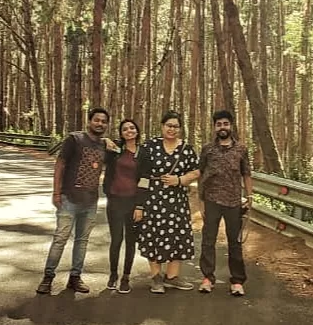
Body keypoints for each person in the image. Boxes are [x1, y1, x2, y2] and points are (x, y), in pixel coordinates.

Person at [36, 108, 110, 295]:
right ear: (89, 121)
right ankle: (48, 277)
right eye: (97, 120)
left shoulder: (104, 146)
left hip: (90, 201)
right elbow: (60, 164)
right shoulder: (74, 139)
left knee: (82, 241)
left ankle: (75, 278)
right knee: (60, 239)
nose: (100, 124)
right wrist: (56, 193)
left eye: (103, 121)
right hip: (69, 198)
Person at [134, 111, 201, 294]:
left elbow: (196, 172)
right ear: (162, 126)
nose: (172, 129)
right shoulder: (150, 146)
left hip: (177, 201)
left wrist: (179, 180)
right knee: (153, 235)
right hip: (153, 199)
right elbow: (141, 175)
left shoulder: (186, 149)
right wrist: (139, 203)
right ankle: (156, 277)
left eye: (175, 126)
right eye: (168, 125)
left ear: (180, 129)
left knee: (177, 236)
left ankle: (172, 277)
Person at [197, 109, 252, 296]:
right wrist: (201, 201)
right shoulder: (207, 149)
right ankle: (207, 278)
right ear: (215, 127)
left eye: (225, 124)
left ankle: (237, 281)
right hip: (211, 199)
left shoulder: (241, 149)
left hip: (233, 201)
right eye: (219, 124)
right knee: (208, 240)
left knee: (234, 243)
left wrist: (250, 197)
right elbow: (201, 174)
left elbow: (247, 174)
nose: (222, 127)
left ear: (231, 126)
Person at [102, 118, 142, 293]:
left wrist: (140, 206)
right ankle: (113, 275)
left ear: (137, 131)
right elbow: (92, 142)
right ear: (121, 133)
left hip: (133, 202)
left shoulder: (143, 152)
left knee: (131, 241)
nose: (129, 131)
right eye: (125, 129)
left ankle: (126, 277)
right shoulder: (115, 150)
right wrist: (104, 140)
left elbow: (146, 179)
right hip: (115, 201)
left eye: (132, 128)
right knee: (116, 240)